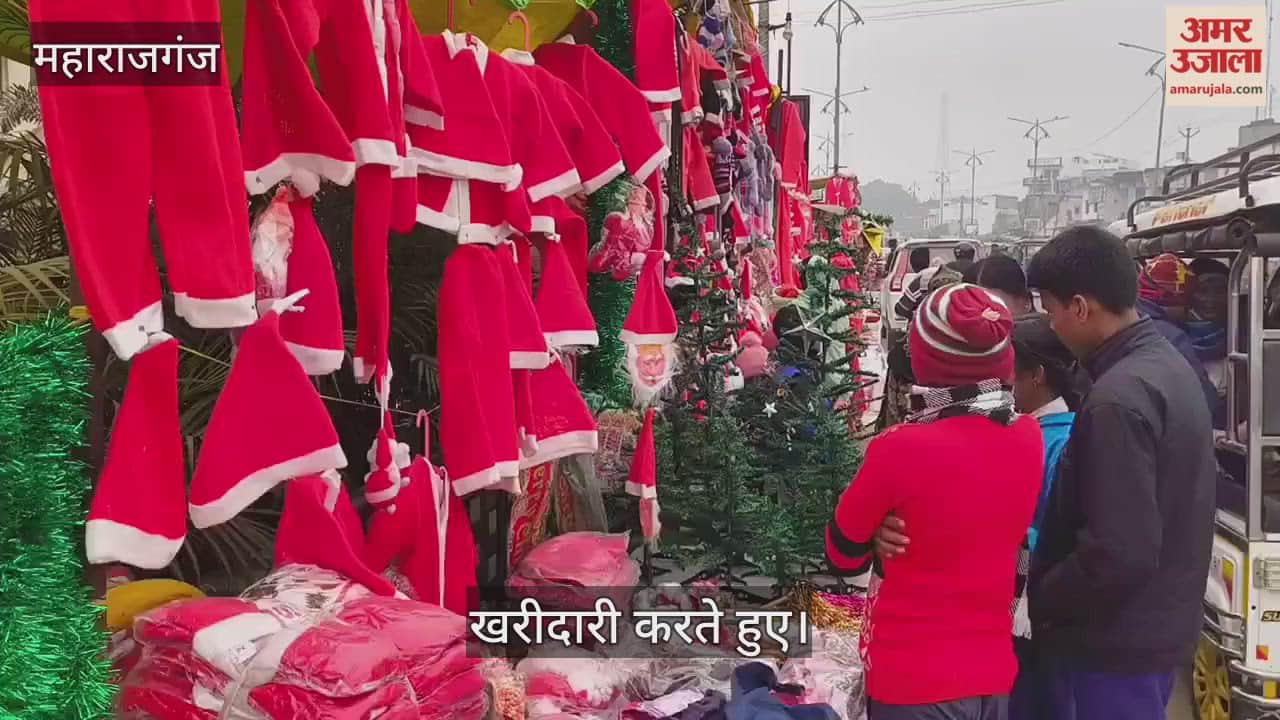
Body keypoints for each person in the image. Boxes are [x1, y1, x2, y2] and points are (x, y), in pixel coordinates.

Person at [1025, 226, 1215, 720]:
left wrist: (1044, 593)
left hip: (1117, 644)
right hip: (1153, 626)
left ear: (1080, 307)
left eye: (1051, 309)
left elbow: (1120, 551)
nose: (1052, 325)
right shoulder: (1165, 364)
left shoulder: (1119, 399)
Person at [827, 283, 1043, 720]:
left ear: (924, 360)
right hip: (992, 673)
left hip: (913, 678)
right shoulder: (1028, 436)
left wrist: (875, 534)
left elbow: (841, 555)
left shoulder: (899, 448)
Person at [1006, 316, 1079, 720]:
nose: (1005, 384)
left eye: (1011, 373)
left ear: (1036, 375)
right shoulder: (1038, 431)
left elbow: (1050, 528)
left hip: (1036, 607)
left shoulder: (1057, 441)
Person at [1135, 253, 1220, 424]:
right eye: (1201, 291)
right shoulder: (1172, 337)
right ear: (1173, 299)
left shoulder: (1130, 320)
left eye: (1219, 290)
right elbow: (1202, 397)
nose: (1209, 299)